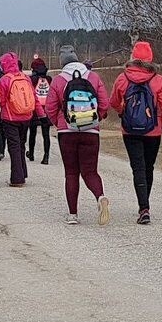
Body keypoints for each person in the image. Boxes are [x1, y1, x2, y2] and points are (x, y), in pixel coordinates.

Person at [112, 41, 162, 225]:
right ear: (150, 58)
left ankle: (143, 207)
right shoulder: (158, 80)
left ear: (133, 57)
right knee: (149, 167)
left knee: (137, 168)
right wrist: (161, 124)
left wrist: (122, 112)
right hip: (153, 131)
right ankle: (144, 205)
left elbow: (114, 102)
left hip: (130, 130)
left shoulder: (123, 78)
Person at [47, 57, 110, 225]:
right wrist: (96, 119)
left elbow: (50, 108)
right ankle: (101, 196)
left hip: (67, 131)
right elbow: (104, 103)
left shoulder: (58, 80)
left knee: (71, 173)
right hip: (91, 131)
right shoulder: (94, 77)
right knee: (90, 171)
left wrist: (59, 123)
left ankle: (73, 214)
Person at [0, 53, 36, 187]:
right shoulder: (25, 77)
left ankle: (17, 178)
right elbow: (33, 96)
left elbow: (1, 100)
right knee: (21, 144)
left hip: (10, 117)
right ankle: (22, 171)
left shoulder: (5, 80)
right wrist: (40, 114)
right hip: (26, 116)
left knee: (13, 146)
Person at [27, 56, 55, 164]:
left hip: (35, 109)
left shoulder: (31, 79)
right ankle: (46, 156)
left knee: (32, 132)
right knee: (46, 134)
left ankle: (32, 154)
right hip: (47, 109)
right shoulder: (49, 79)